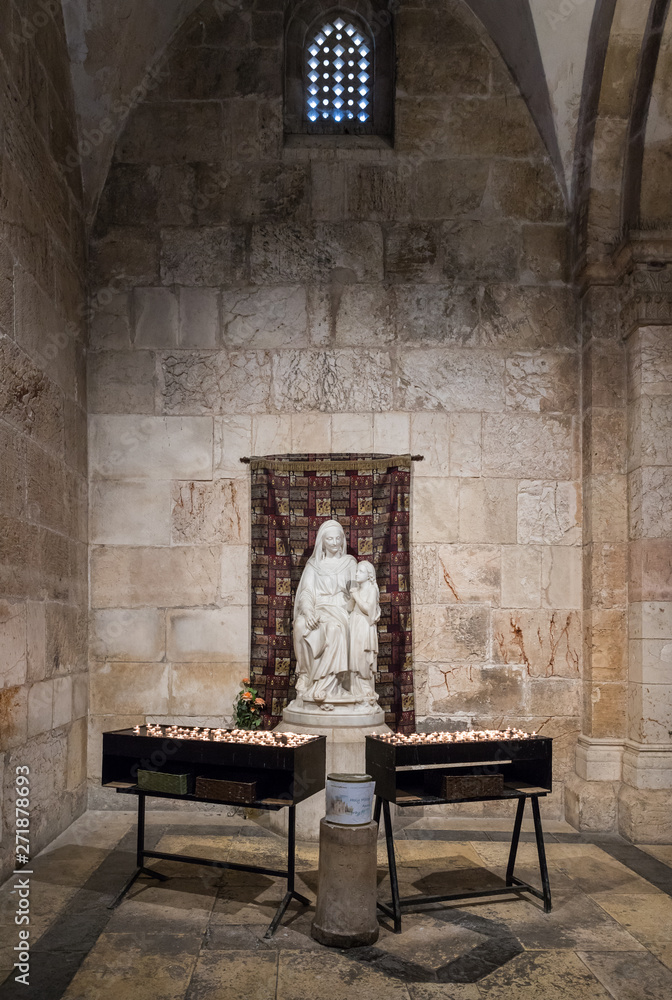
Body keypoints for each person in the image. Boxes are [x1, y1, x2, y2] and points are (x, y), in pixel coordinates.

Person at [292, 519, 357, 709]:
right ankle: (306, 676)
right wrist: (308, 611)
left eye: (338, 538)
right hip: (318, 609)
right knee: (300, 625)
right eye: (330, 539)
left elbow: (356, 591)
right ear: (323, 541)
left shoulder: (349, 563)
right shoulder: (314, 565)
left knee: (334, 629)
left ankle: (328, 686)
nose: (335, 543)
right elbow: (306, 593)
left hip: (341, 609)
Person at [348, 560, 381, 705]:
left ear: (369, 575)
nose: (357, 574)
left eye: (360, 571)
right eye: (356, 571)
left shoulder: (371, 590)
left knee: (363, 656)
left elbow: (369, 609)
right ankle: (355, 690)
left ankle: (365, 688)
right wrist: (352, 596)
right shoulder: (358, 590)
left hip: (364, 626)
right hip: (355, 624)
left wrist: (356, 596)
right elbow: (349, 608)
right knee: (354, 656)